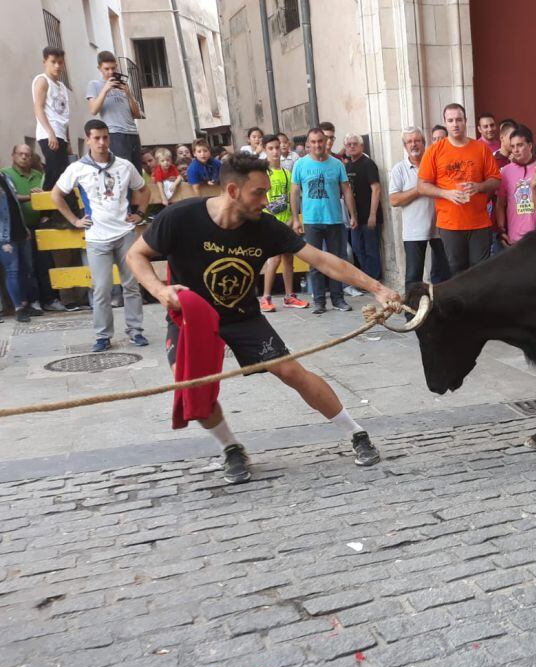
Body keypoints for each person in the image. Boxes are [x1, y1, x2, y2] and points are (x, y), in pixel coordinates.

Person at [124, 154, 402, 482]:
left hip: (241, 316)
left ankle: (356, 433)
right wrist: (159, 290)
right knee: (194, 386)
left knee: (290, 370)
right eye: (259, 193)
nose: (267, 200)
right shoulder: (180, 217)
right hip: (191, 318)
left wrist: (377, 288)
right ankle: (231, 447)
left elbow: (324, 260)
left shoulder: (265, 226)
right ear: (232, 190)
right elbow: (135, 255)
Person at [51, 119, 150, 352]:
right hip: (97, 237)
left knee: (131, 285)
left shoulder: (124, 165)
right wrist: (74, 220)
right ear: (88, 139)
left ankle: (135, 331)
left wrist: (140, 213)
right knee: (101, 289)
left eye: (105, 137)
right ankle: (103, 335)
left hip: (125, 233)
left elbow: (144, 189)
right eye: (96, 138)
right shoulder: (77, 168)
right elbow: (56, 194)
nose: (102, 142)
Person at [417, 103, 501, 275]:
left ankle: (479, 303)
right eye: (451, 120)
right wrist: (445, 193)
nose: (455, 124)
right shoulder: (434, 151)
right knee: (457, 271)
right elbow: (421, 186)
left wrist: (479, 186)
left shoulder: (481, 148)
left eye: (459, 119)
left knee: (481, 271)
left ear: (466, 121)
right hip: (450, 224)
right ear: (445, 123)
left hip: (479, 222)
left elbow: (496, 180)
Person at [289, 126, 358, 313]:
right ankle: (319, 301)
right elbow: (294, 192)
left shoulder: (337, 165)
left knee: (337, 261)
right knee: (315, 262)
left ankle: (338, 299)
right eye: (313, 142)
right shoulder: (300, 165)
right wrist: (295, 219)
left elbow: (346, 190)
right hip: (312, 221)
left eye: (320, 141)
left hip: (335, 219)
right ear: (308, 144)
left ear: (325, 142)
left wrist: (352, 215)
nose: (317, 145)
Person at [1, 144, 69, 313]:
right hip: (15, 229)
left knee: (41, 265)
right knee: (20, 269)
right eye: (20, 154)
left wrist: (45, 209)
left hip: (38, 227)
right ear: (13, 155)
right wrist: (30, 197)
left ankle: (45, 300)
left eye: (28, 155)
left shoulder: (39, 175)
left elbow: (50, 195)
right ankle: (27, 303)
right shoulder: (6, 174)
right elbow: (10, 198)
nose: (24, 157)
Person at [389, 127, 451, 288]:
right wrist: (419, 188)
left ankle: (440, 309)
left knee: (443, 274)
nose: (413, 144)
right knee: (413, 277)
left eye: (417, 140)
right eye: (409, 141)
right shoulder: (399, 170)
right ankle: (412, 313)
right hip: (414, 231)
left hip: (440, 227)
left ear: (424, 143)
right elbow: (394, 200)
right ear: (405, 146)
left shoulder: (436, 164)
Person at [258, 135, 307, 312]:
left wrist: (294, 219)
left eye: (277, 148)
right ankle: (266, 297)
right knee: (274, 259)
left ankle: (289, 296)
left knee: (288, 259)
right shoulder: (263, 173)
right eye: (271, 148)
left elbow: (291, 198)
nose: (275, 152)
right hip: (269, 223)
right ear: (265, 150)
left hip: (286, 222)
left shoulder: (287, 173)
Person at [86, 51, 144, 172]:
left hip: (133, 133)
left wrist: (128, 94)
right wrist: (105, 89)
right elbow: (93, 110)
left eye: (113, 68)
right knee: (122, 171)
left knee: (136, 172)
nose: (111, 72)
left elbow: (137, 114)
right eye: (106, 69)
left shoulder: (124, 85)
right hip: (115, 133)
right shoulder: (94, 84)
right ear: (99, 68)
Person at [495, 126, 536, 247]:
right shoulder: (505, 171)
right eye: (512, 146)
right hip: (515, 240)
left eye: (520, 145)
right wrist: (501, 230)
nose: (515, 150)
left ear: (530, 145)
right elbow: (500, 204)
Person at [343, 133, 383, 283]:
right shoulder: (347, 166)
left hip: (369, 216)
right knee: (357, 248)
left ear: (361, 146)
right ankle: (367, 279)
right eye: (349, 144)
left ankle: (373, 280)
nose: (352, 146)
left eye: (355, 144)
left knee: (371, 250)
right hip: (355, 217)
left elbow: (376, 189)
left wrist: (373, 214)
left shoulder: (368, 164)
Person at [32, 47, 71, 190]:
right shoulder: (43, 81)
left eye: (60, 62)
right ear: (45, 62)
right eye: (53, 62)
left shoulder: (62, 87)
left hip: (61, 134)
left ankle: (52, 208)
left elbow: (65, 115)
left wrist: (68, 141)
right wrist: (50, 133)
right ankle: (46, 209)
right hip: (48, 134)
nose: (57, 66)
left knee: (63, 174)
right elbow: (38, 108)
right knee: (56, 173)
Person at [0, 168, 35, 322]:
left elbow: (14, 203)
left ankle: (26, 304)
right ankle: (18, 308)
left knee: (24, 269)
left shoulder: (4, 176)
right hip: (5, 235)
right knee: (12, 271)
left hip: (19, 230)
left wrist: (23, 226)